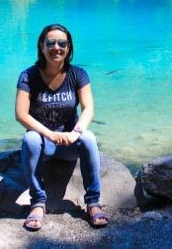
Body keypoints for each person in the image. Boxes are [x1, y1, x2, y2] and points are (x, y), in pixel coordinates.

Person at [15, 23, 109, 230]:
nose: (56, 47)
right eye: (51, 42)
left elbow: (88, 108)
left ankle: (93, 202)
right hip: (42, 144)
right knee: (30, 138)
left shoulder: (78, 75)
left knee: (89, 137)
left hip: (69, 144)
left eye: (62, 43)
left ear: (69, 48)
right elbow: (20, 114)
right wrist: (48, 133)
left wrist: (75, 133)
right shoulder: (28, 76)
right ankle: (38, 203)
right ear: (42, 46)